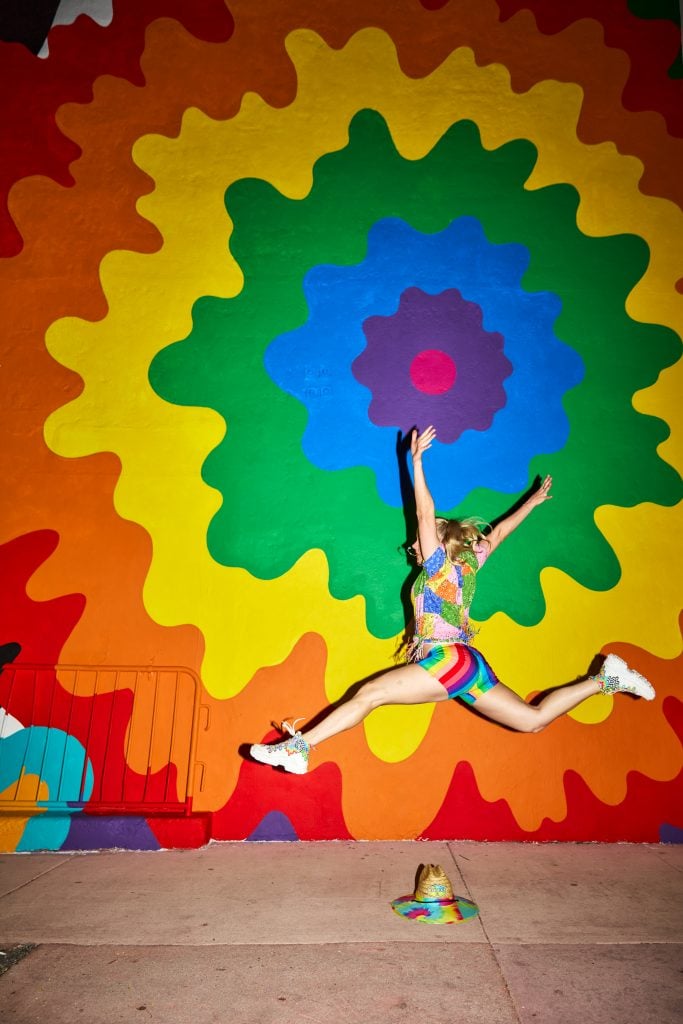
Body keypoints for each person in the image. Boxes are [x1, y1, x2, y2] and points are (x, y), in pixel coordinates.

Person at [249, 425, 655, 775]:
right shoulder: (468, 565)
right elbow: (497, 535)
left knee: (369, 695)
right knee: (532, 721)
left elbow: (425, 514)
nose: (414, 542)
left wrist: (418, 462)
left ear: (438, 542)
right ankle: (607, 679)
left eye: (423, 539)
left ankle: (297, 749)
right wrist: (530, 503)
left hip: (448, 659)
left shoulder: (440, 563)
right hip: (467, 664)